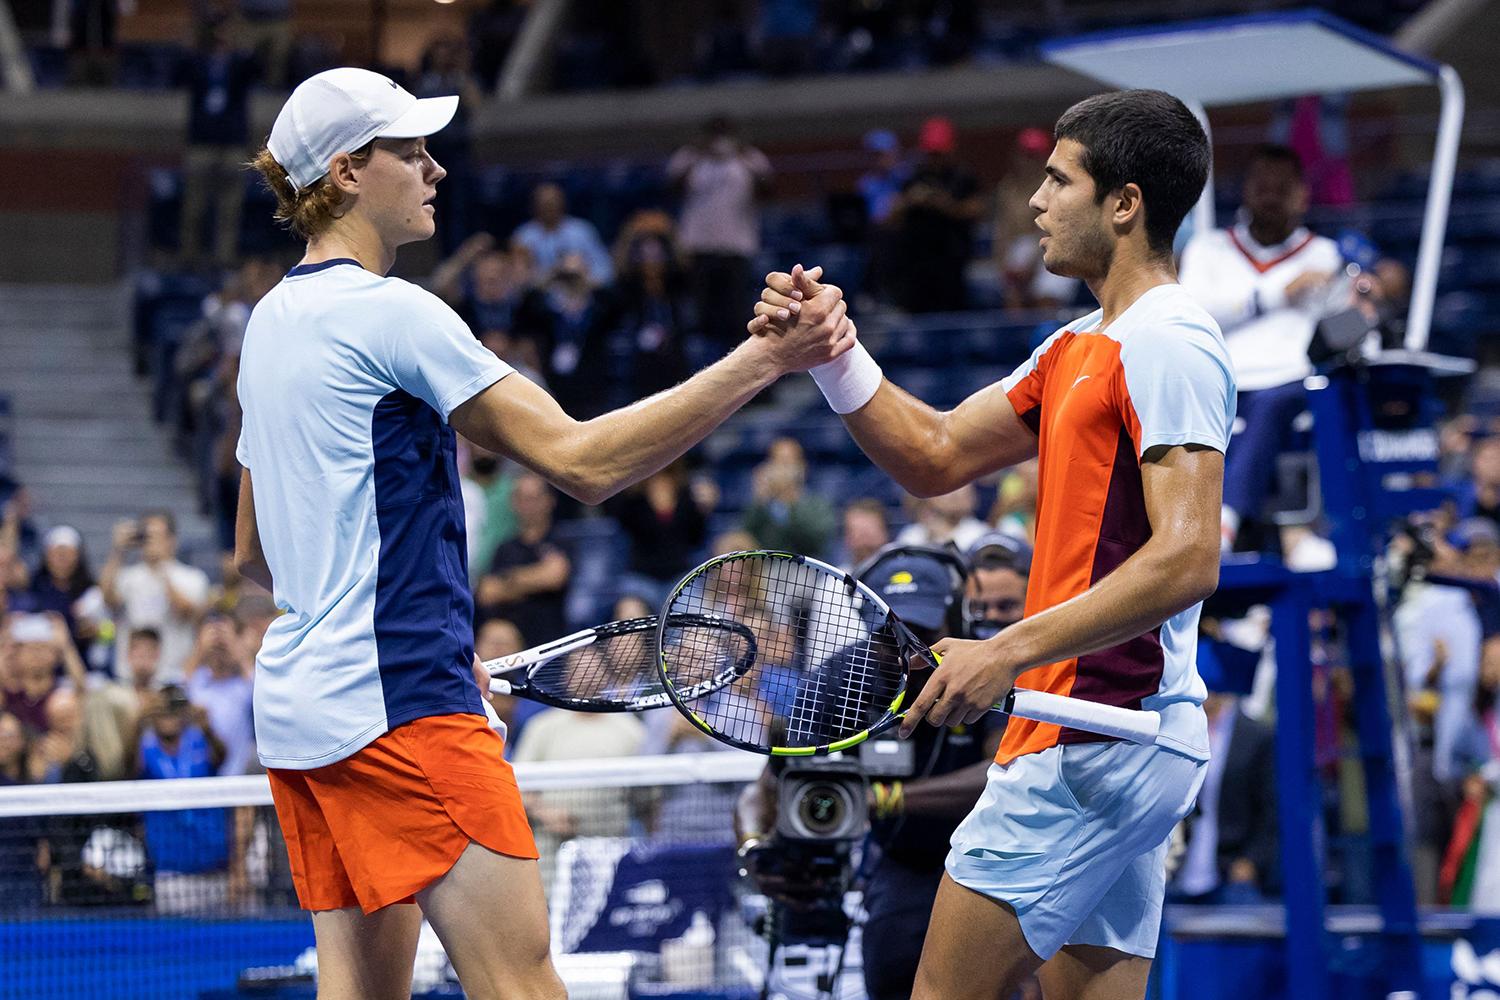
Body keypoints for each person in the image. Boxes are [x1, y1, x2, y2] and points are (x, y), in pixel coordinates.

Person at [237, 67, 852, 1000]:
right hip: (402, 703)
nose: (437, 169)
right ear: (348, 172)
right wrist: (767, 358)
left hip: (303, 714)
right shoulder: (392, 313)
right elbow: (585, 463)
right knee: (522, 985)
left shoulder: (268, 325)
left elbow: (253, 554)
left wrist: (397, 627)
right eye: (411, 151)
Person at [752, 89, 1231, 998]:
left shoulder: (1169, 339)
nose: (1035, 201)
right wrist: (833, 350)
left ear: (1124, 204)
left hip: (1092, 738)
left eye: (1059, 180)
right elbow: (934, 454)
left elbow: (1187, 556)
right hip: (1114, 738)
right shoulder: (1079, 344)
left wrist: (1004, 651)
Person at [734, 543, 1019, 1000]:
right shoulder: (839, 679)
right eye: (890, 635)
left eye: (921, 633)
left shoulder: (988, 669)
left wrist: (880, 799)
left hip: (997, 855)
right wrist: (754, 850)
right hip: (904, 860)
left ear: (956, 621)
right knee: (892, 961)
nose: (907, 652)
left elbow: (1006, 772)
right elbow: (762, 792)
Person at [1177, 145, 1343, 552]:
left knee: (1274, 404)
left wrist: (1364, 303)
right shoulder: (1208, 248)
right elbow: (1193, 314)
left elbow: (1340, 327)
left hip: (1292, 383)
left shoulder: (1324, 254)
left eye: (1281, 188)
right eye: (1261, 187)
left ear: (1301, 195)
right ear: (1246, 190)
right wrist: (1277, 294)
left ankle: (1226, 523)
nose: (1270, 197)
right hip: (1222, 383)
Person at [668, 116, 773, 348]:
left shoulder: (748, 156)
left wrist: (741, 154)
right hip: (699, 245)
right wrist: (699, 153)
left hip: (736, 244)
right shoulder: (690, 156)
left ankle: (737, 353)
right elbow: (671, 187)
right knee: (702, 309)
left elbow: (768, 188)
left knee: (736, 310)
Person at [99, 512, 211, 684]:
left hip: (174, 675)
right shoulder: (128, 577)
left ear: (172, 540)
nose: (151, 542)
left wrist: (162, 569)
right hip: (131, 677)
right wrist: (118, 551)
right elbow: (107, 599)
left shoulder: (192, 577)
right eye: (147, 535)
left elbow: (186, 612)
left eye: (157, 535)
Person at [476, 472, 571, 645]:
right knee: (493, 635)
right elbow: (487, 592)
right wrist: (535, 579)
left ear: (550, 500)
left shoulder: (561, 539)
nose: (527, 505)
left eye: (533, 498)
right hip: (509, 635)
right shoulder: (505, 547)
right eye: (521, 498)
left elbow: (555, 576)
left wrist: (508, 584)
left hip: (550, 637)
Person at [510, 182, 613, 286]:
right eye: (544, 204)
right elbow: (517, 279)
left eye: (553, 203)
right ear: (534, 206)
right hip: (540, 290)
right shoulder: (524, 235)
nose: (549, 208)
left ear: (563, 203)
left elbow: (606, 270)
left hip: (580, 288)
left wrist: (583, 276)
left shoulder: (581, 230)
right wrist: (553, 273)